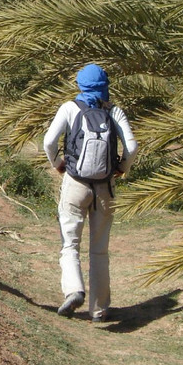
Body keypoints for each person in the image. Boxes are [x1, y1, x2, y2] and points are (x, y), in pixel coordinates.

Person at [43, 63, 138, 322]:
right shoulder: (114, 111)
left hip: (75, 184)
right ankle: (99, 310)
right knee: (99, 251)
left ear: (80, 84)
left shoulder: (70, 108)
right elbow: (132, 145)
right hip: (105, 188)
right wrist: (121, 167)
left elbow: (49, 142)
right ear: (105, 85)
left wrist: (58, 164)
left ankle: (74, 290)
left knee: (70, 243)